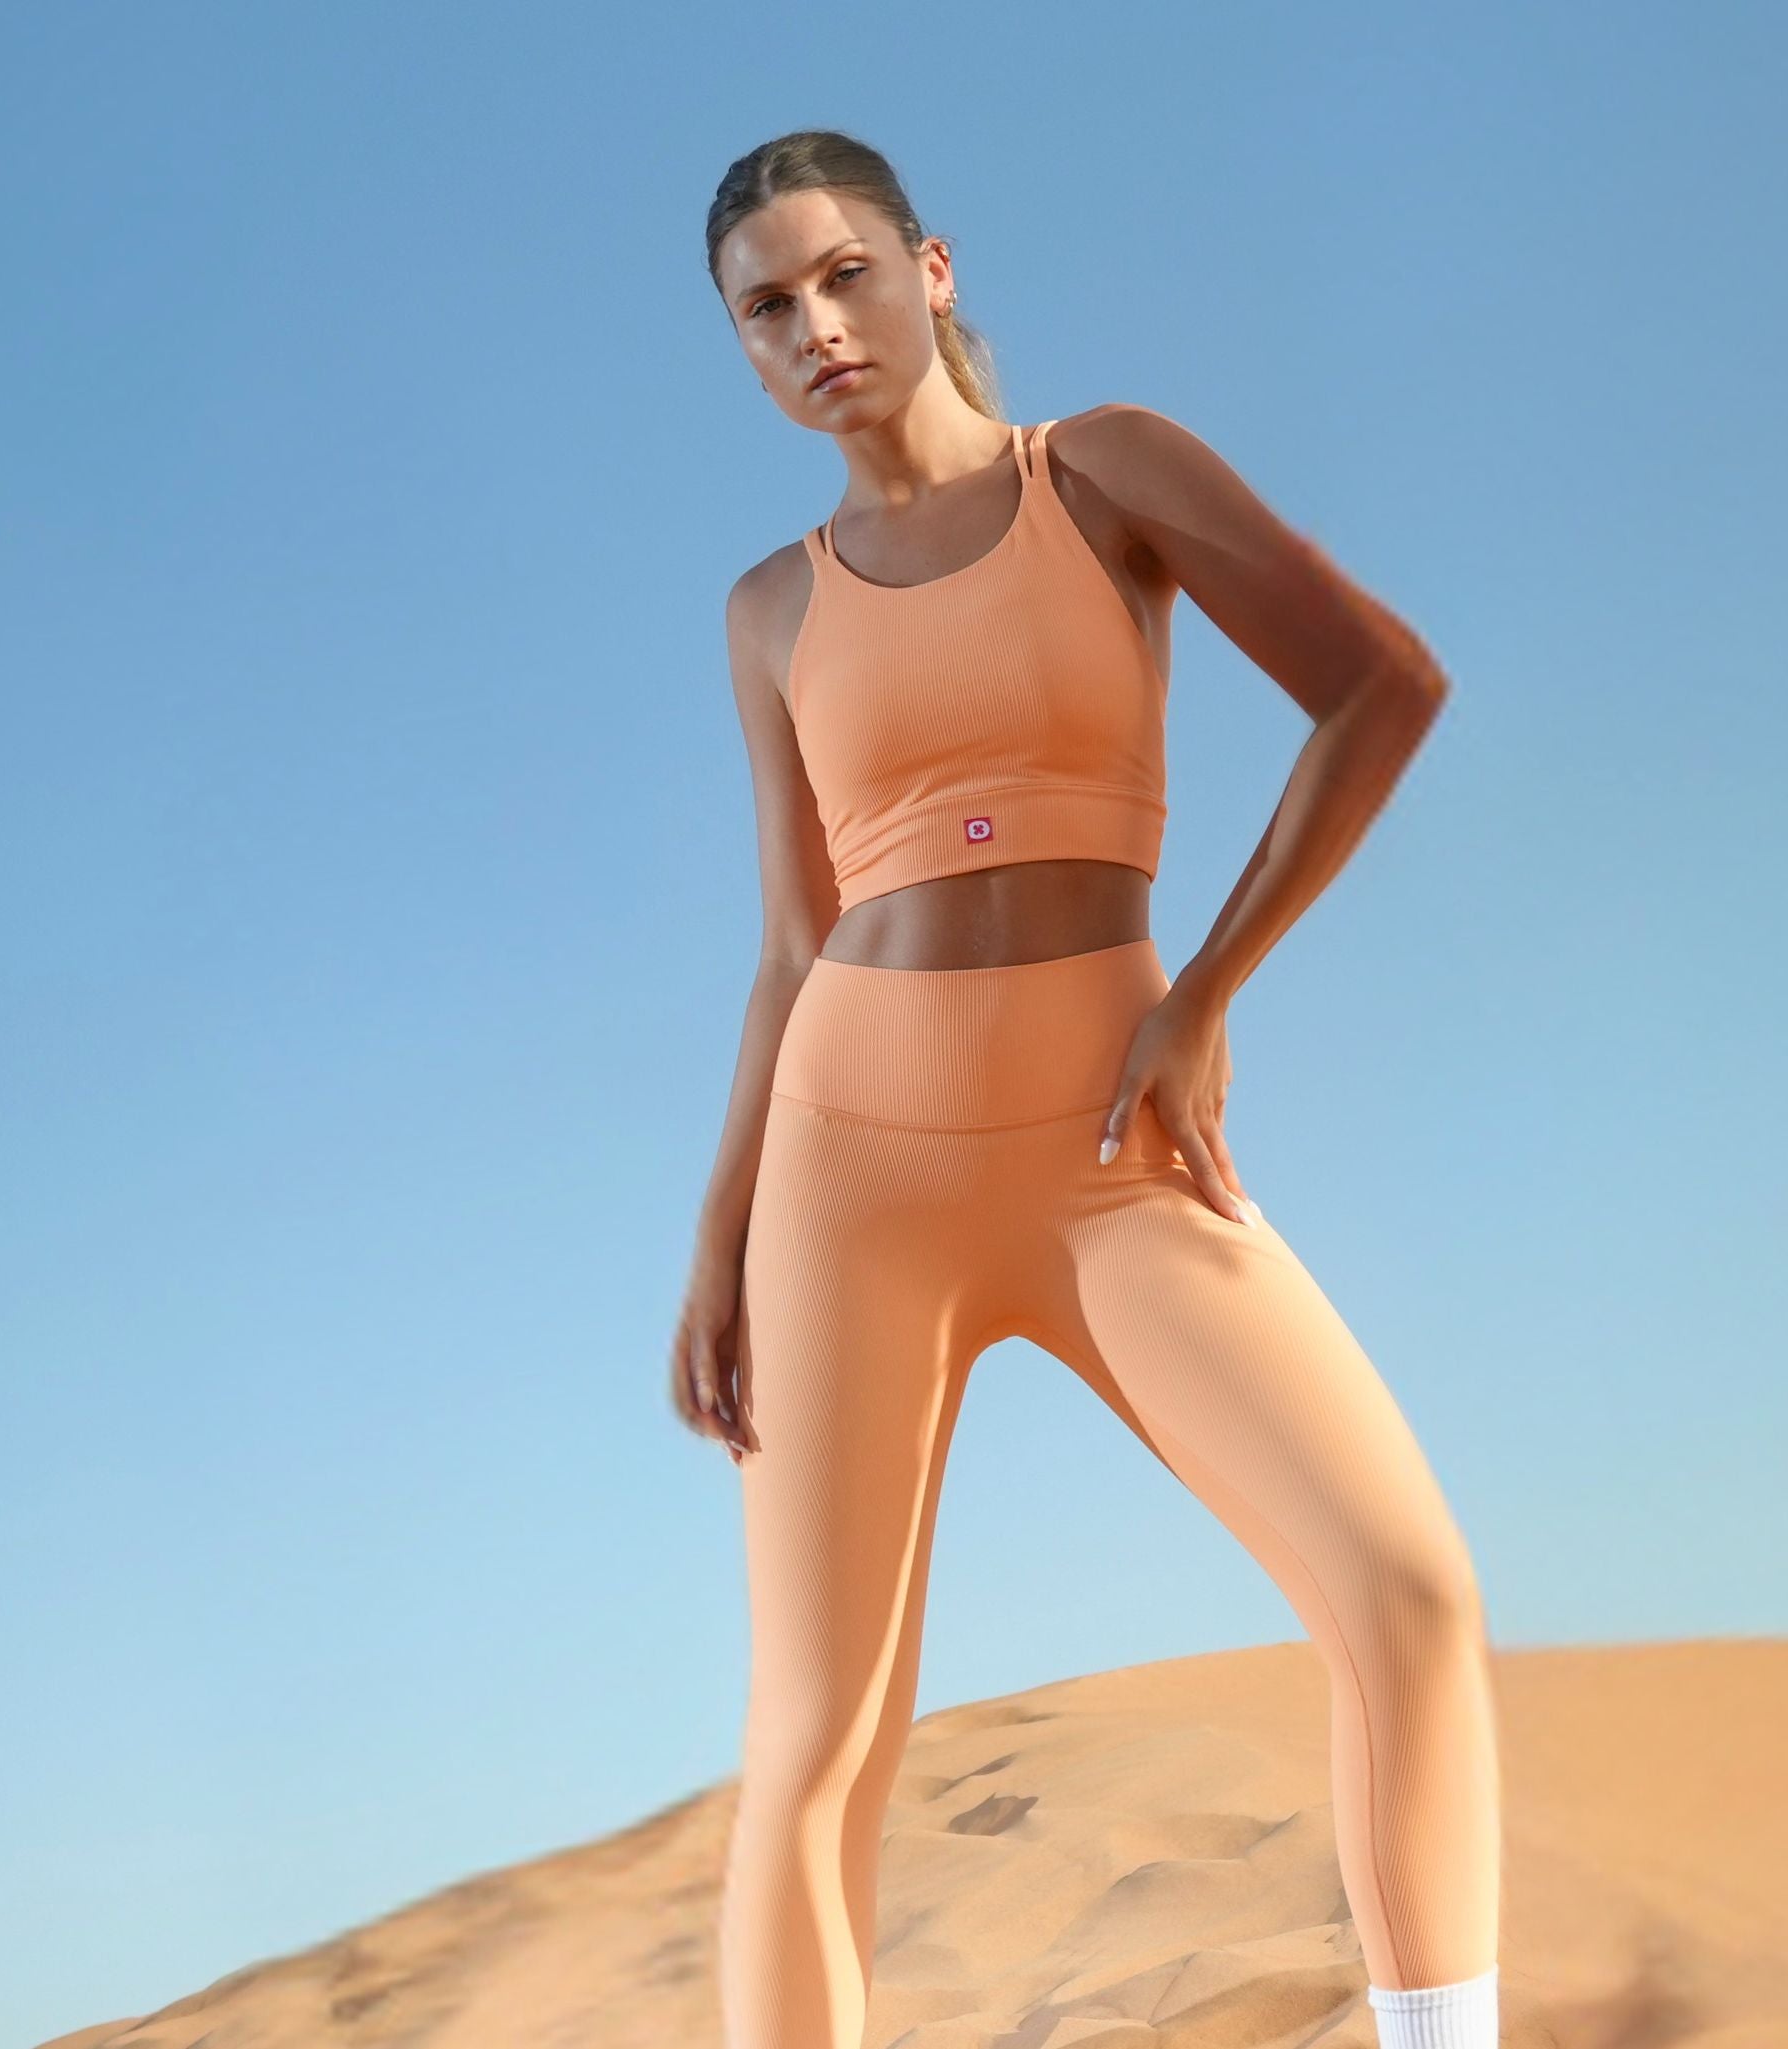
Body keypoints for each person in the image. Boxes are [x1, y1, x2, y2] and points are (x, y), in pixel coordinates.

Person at [678, 127, 1503, 2049]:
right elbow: (793, 947)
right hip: (844, 1173)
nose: (815, 328)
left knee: (1407, 1596)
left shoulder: (1101, 471)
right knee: (815, 1742)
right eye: (764, 310)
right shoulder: (767, 612)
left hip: (1113, 1140)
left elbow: (1380, 682)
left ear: (931, 268)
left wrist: (1204, 991)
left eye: (841, 276)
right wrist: (717, 1242)